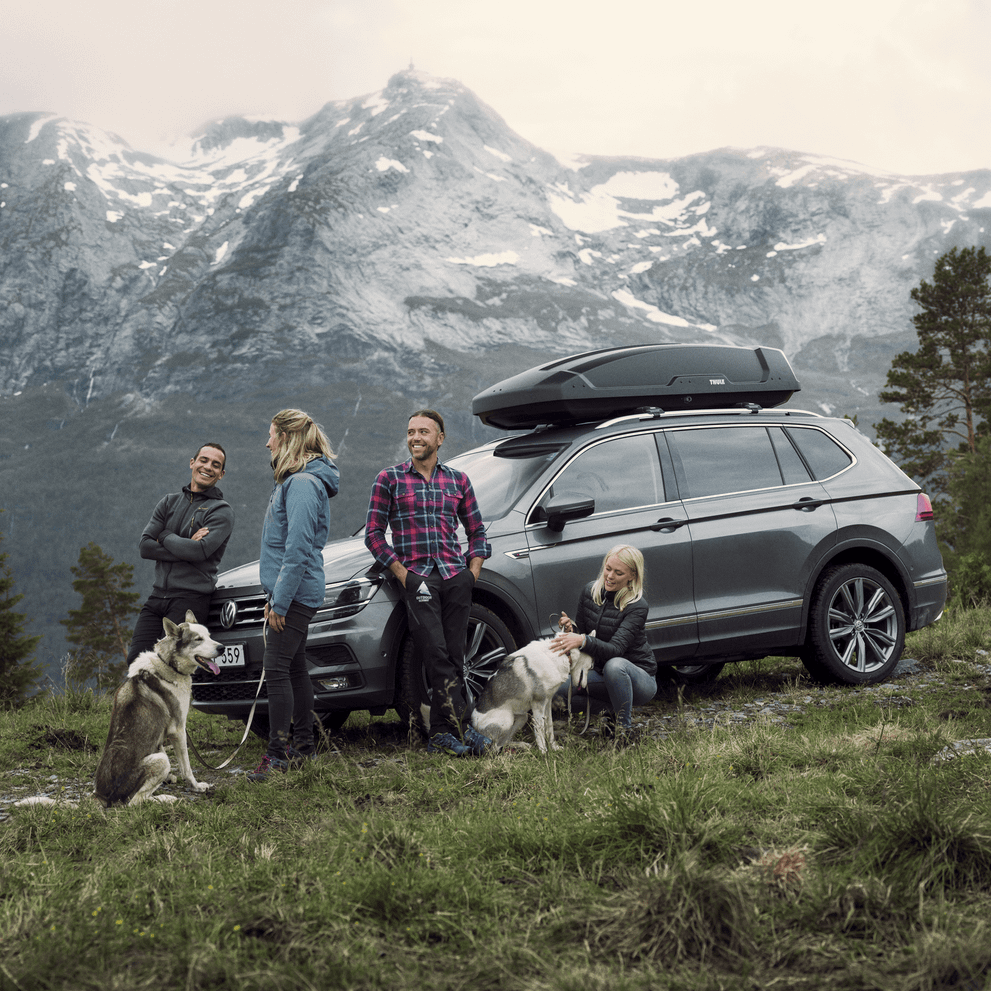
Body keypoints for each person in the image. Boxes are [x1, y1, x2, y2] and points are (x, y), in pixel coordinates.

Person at [364, 409, 493, 757]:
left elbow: (477, 531)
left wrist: (473, 572)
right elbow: (373, 535)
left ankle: (440, 734)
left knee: (454, 656)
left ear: (440, 438)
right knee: (436, 655)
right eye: (410, 432)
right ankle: (464, 730)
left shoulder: (458, 480)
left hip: (455, 576)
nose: (415, 437)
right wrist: (405, 575)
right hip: (417, 578)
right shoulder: (389, 479)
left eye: (423, 432)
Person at [248, 409, 340, 781]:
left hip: (295, 595)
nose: (266, 442)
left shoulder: (302, 484)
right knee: (296, 668)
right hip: (293, 592)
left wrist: (280, 602)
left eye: (271, 435)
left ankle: (279, 756)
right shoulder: (295, 482)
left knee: (277, 669)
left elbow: (299, 547)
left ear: (287, 438)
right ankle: (303, 750)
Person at [127, 443, 234, 664]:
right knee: (137, 661)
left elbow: (200, 551)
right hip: (158, 596)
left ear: (221, 474)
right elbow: (145, 547)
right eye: (203, 460)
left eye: (216, 465)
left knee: (172, 666)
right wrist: (185, 546)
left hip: (190, 600)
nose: (208, 467)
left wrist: (165, 535)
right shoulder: (169, 502)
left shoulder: (221, 510)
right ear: (192, 463)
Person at [552, 544, 656, 742]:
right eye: (608, 568)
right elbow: (583, 633)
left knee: (615, 666)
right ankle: (609, 712)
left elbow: (615, 650)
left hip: (638, 678)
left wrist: (582, 640)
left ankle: (623, 732)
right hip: (599, 673)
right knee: (557, 688)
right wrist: (571, 630)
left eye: (618, 572)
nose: (609, 576)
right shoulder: (589, 592)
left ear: (631, 576)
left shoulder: (638, 606)